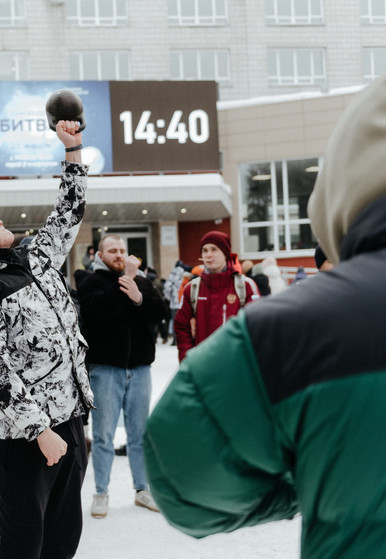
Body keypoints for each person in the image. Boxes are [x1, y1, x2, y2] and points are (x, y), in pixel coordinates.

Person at [144, 72, 386, 559]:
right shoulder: (197, 289)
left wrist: (308, 474)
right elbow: (184, 325)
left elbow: (184, 480)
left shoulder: (290, 328)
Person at [0, 120, 93, 559]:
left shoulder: (34, 256)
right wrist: (39, 430)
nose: (0, 219)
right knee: (24, 543)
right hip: (28, 436)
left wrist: (73, 151)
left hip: (69, 416)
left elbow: (69, 212)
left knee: (64, 537)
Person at [76, 234, 167, 519]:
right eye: (112, 250)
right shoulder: (90, 281)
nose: (119, 254)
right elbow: (99, 311)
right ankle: (101, 493)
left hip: (139, 369)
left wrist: (139, 297)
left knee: (139, 434)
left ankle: (142, 489)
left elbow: (160, 313)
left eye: (122, 250)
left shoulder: (141, 281)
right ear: (100, 256)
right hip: (106, 370)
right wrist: (125, 282)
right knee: (103, 436)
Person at [173, 231, 259, 362]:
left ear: (225, 253)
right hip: (202, 367)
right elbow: (181, 326)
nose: (208, 255)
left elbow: (257, 326)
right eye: (205, 250)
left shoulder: (246, 286)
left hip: (236, 366)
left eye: (214, 249)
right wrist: (188, 358)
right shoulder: (192, 288)